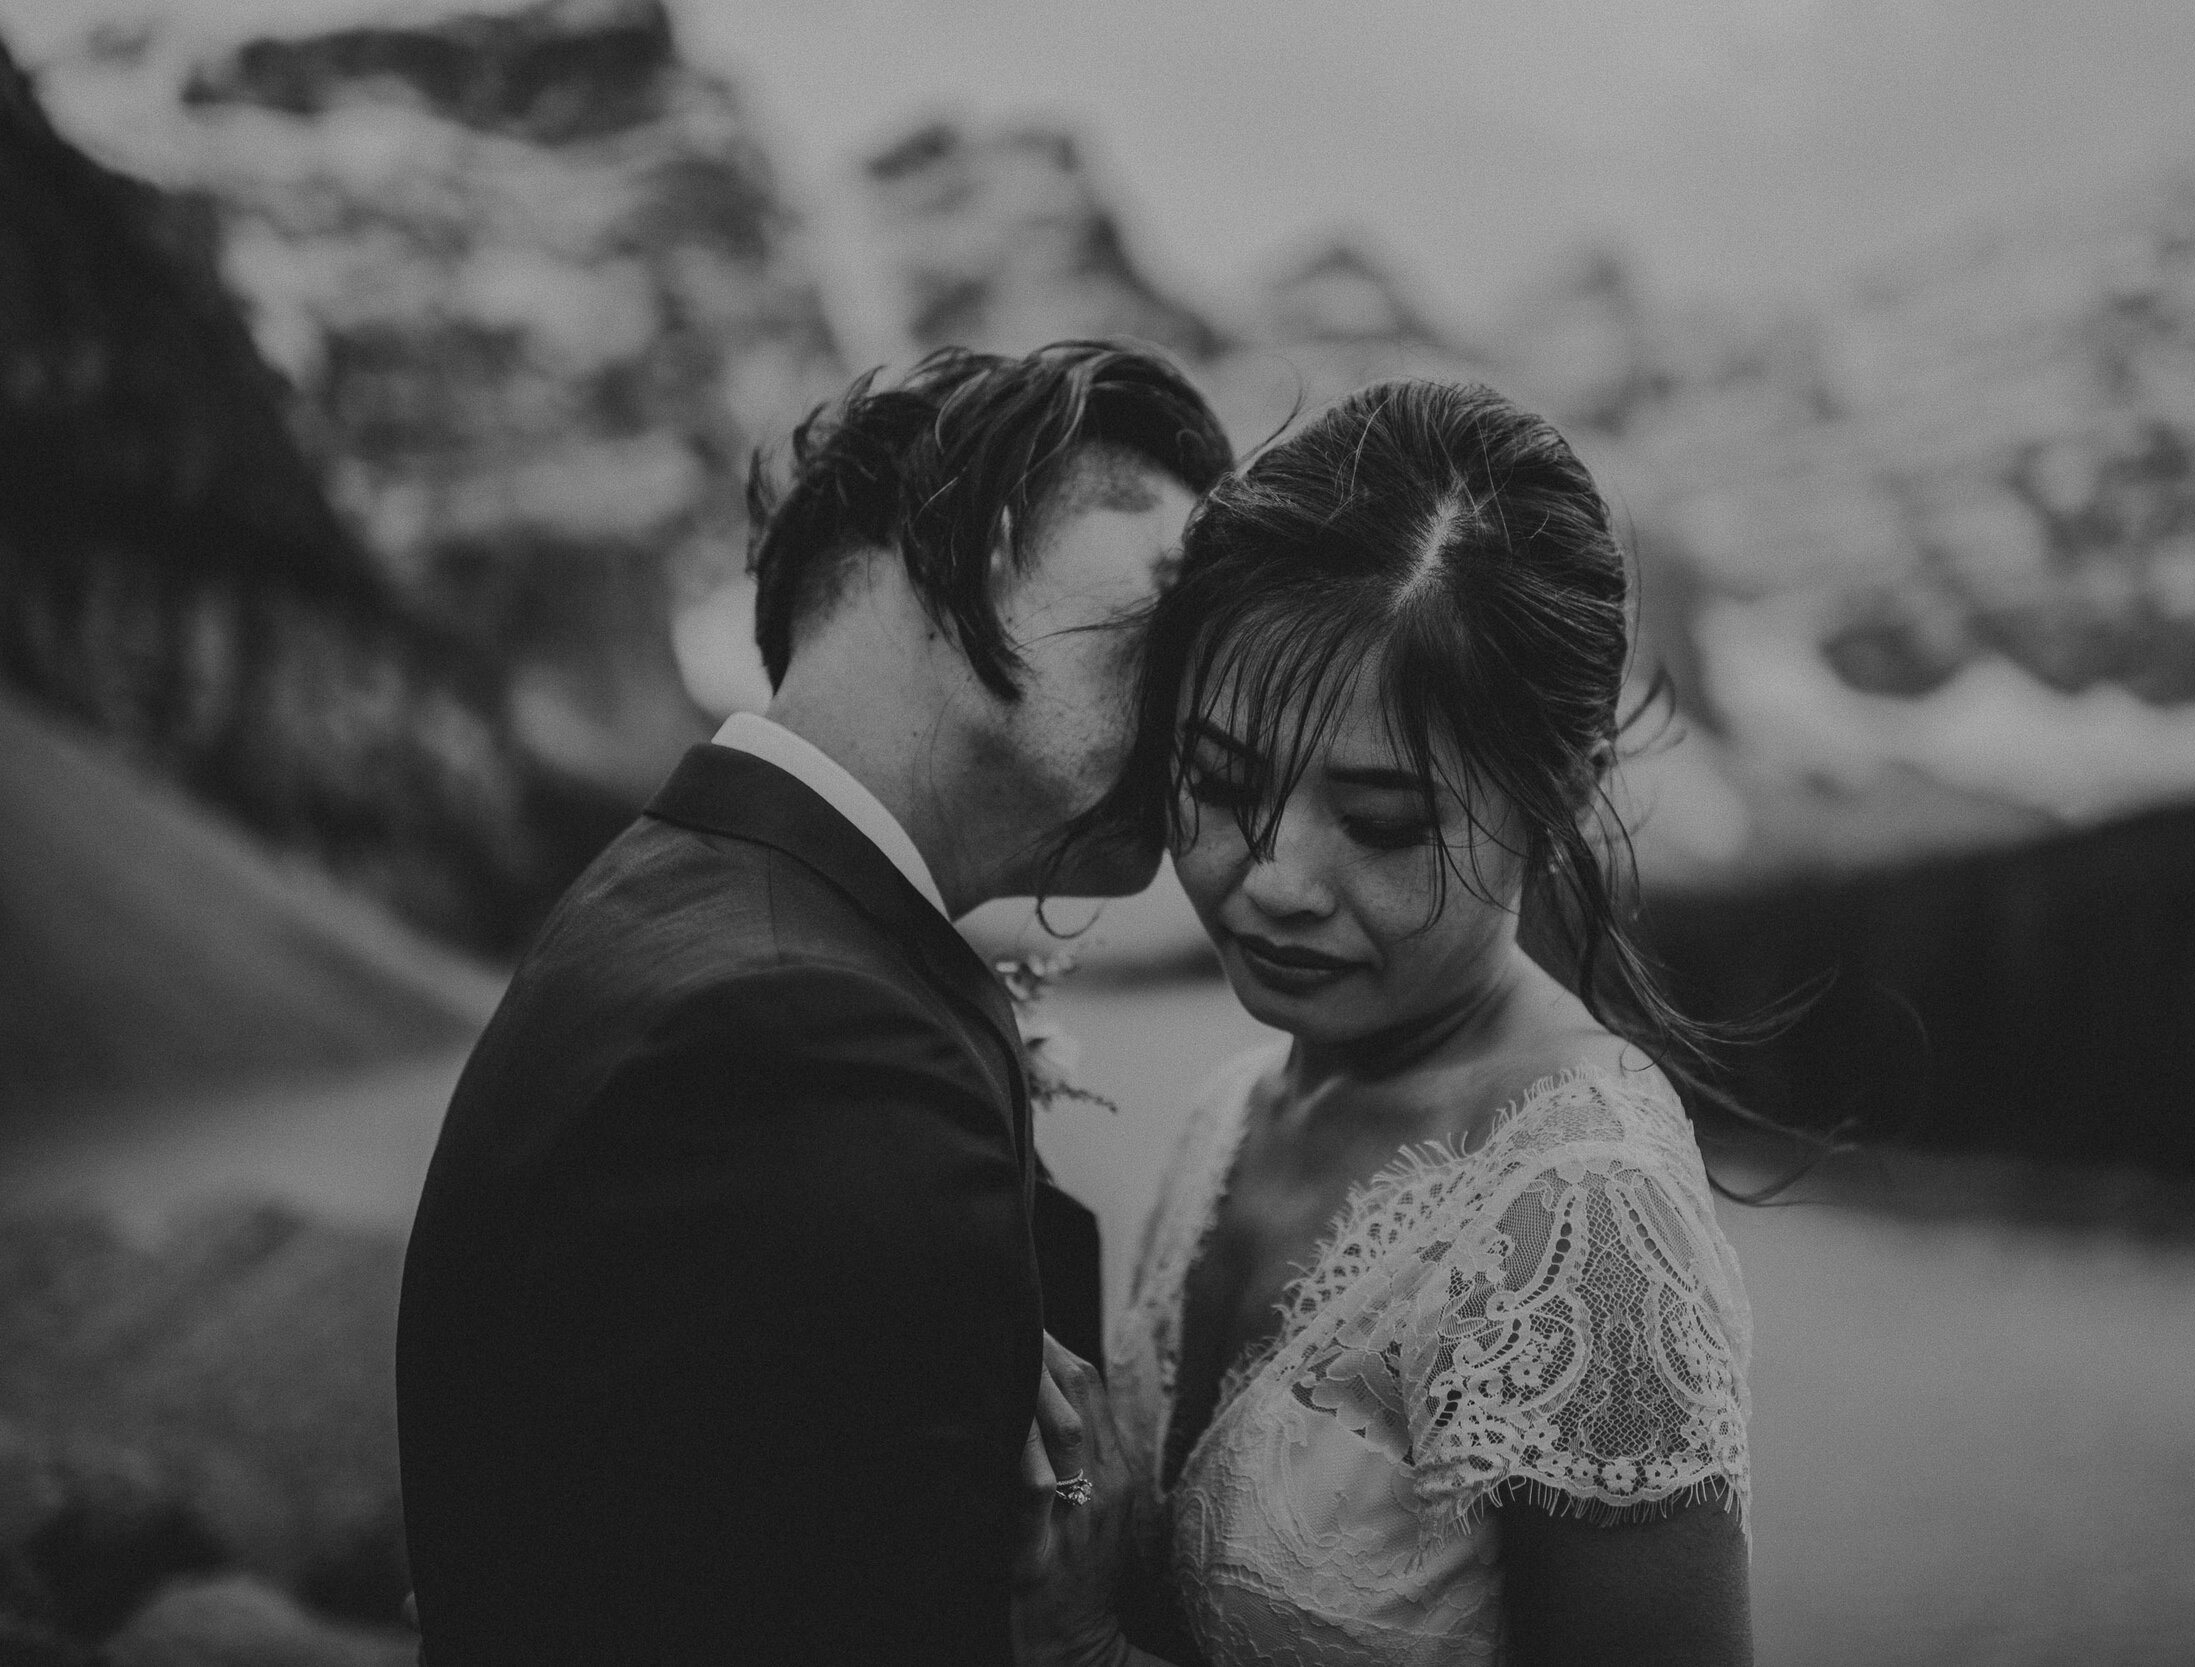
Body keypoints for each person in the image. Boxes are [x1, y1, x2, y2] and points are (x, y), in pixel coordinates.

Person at [395, 341, 1230, 1666]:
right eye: (1173, 605)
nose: (1205, 700)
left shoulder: (712, 906)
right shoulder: (799, 1039)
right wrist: (1086, 1534)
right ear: (985, 540)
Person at [1018, 380, 1756, 1666]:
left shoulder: (1585, 1214)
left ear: (1555, 791)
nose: (1274, 878)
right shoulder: (1234, 1108)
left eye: (1381, 821)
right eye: (1219, 781)